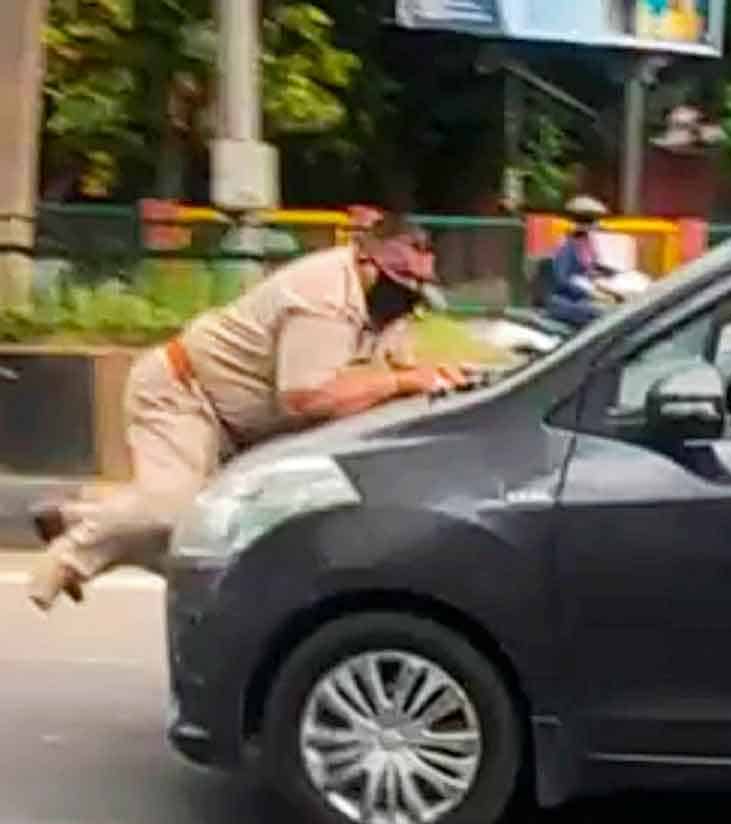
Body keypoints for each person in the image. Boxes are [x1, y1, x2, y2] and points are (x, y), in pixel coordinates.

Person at [26, 212, 469, 612]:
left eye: (417, 286)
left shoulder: (389, 309)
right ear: (365, 260)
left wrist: (436, 380)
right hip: (186, 394)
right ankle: (66, 557)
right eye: (400, 280)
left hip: (240, 424)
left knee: (219, 540)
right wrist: (400, 383)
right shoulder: (325, 297)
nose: (408, 295)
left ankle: (82, 517)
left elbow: (394, 373)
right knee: (173, 515)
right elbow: (305, 398)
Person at [545, 196, 619, 328]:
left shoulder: (589, 244)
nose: (595, 225)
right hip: (566, 301)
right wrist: (591, 294)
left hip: (585, 297)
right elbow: (562, 280)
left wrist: (610, 277)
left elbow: (592, 269)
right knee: (604, 316)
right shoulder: (566, 246)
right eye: (589, 220)